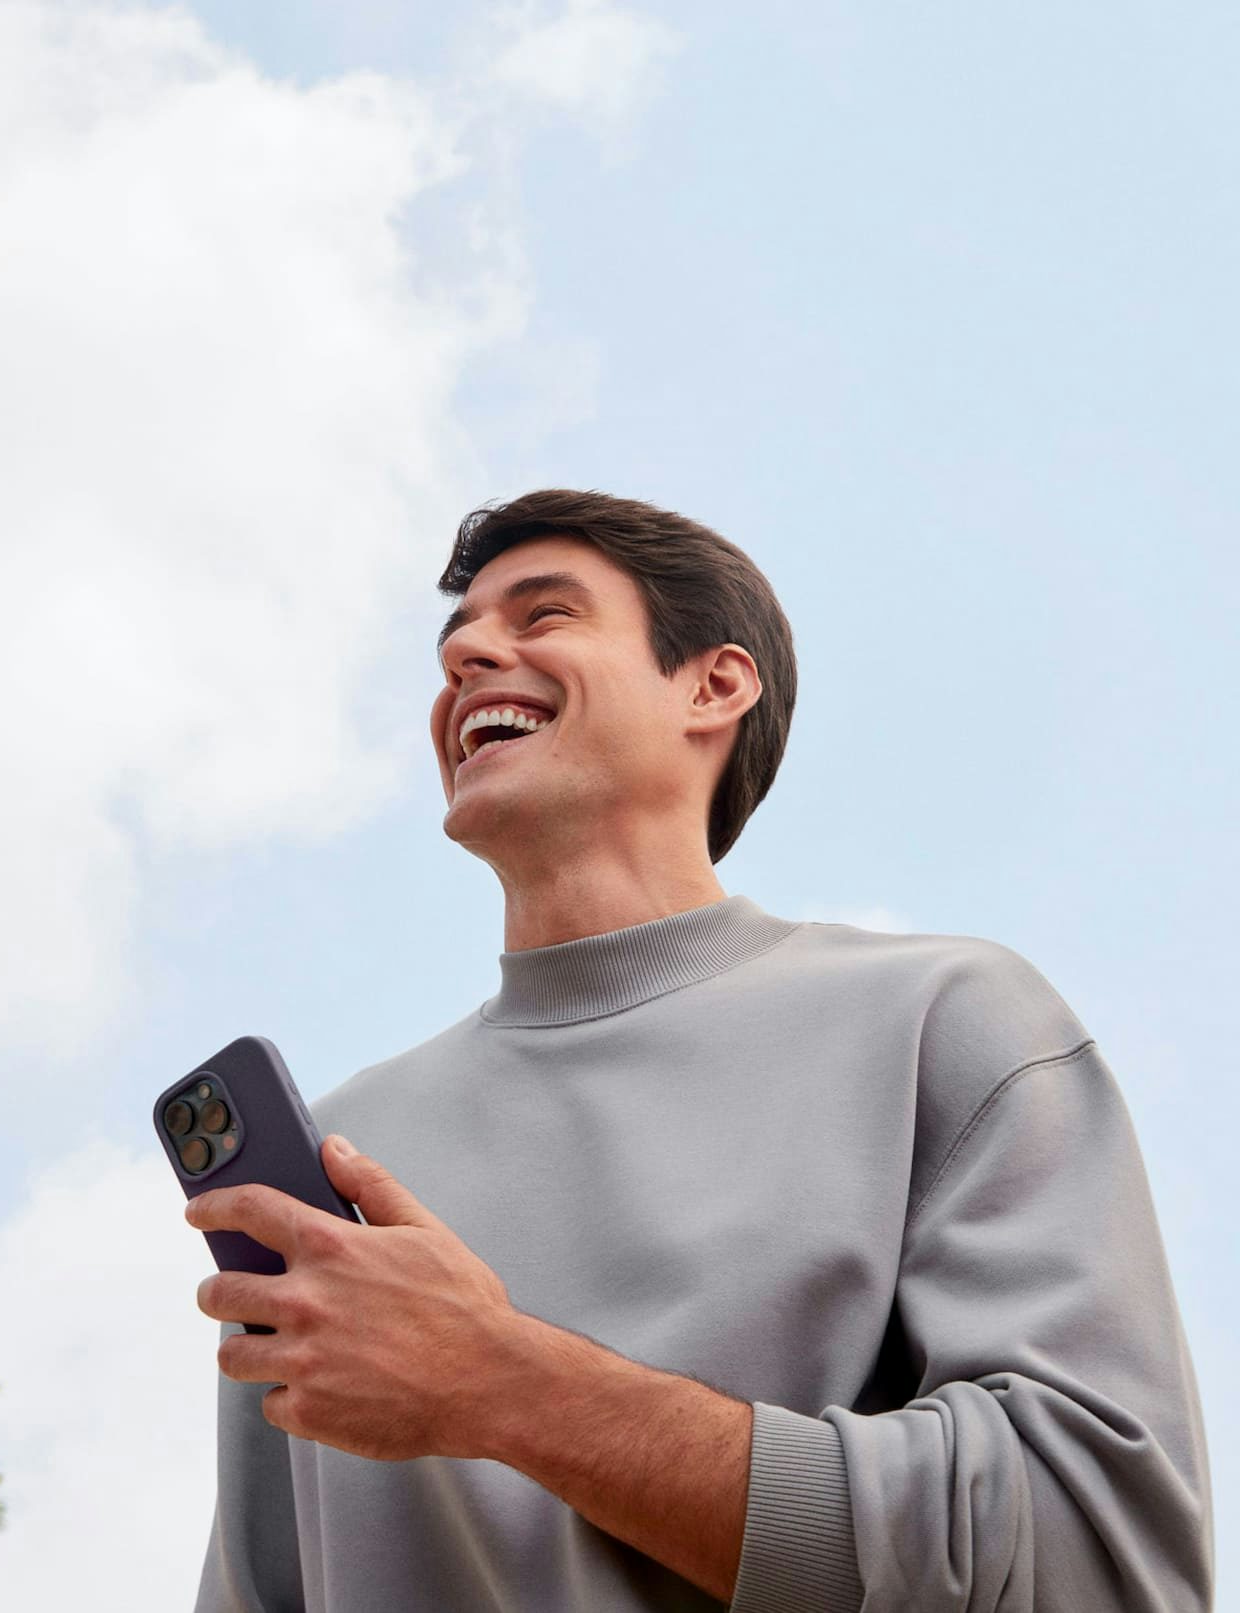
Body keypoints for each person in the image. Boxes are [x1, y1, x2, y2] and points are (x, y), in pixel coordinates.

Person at [186, 488, 1214, 1612]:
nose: (471, 654)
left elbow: (1095, 1558)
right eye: (458, 640)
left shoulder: (940, 1022)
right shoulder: (344, 1158)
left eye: (543, 616)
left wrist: (501, 1380)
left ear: (713, 684)